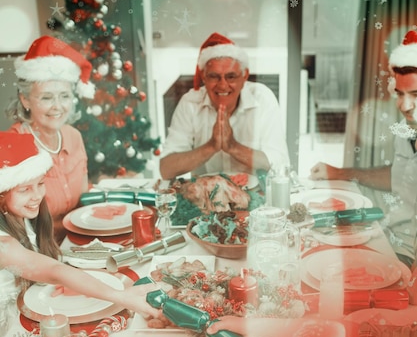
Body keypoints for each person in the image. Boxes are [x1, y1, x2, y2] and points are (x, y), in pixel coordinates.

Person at [0, 132, 158, 320]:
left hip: (32, 307)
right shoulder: (4, 246)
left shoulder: (23, 214)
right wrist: (120, 296)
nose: (36, 196)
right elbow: (54, 271)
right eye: (25, 189)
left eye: (40, 184)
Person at [309, 29, 417, 268]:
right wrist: (342, 173)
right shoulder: (407, 129)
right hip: (392, 241)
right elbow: (399, 176)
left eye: (416, 94)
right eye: (400, 94)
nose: (405, 105)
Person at [159, 32, 289, 180]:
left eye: (231, 76)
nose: (222, 85)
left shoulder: (262, 98)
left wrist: (233, 147)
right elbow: (166, 169)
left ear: (245, 76)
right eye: (214, 76)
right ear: (203, 76)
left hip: (255, 197)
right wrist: (211, 146)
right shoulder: (190, 103)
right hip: (204, 198)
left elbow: (280, 164)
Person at [5, 35, 95, 244]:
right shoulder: (13, 144)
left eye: (64, 96)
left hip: (80, 242)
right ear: (25, 99)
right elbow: (13, 229)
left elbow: (83, 200)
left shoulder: (74, 136)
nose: (57, 106)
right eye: (46, 97)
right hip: (38, 253)